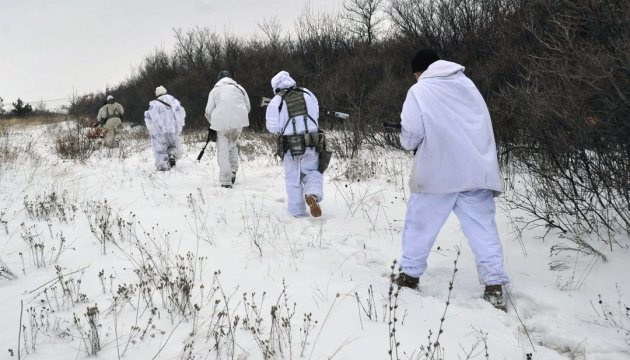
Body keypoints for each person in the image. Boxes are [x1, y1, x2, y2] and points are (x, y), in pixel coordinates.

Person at [394, 49, 510, 311]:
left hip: (438, 173)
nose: (415, 79)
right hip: (476, 171)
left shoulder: (420, 91)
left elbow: (411, 134)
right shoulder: (467, 84)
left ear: (419, 71)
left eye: (415, 74)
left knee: (420, 225)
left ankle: (409, 276)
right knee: (483, 229)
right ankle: (494, 286)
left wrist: (405, 140)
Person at [265, 70, 323, 218]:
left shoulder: (276, 100)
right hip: (312, 141)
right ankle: (312, 194)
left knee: (293, 178)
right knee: (312, 172)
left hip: (291, 145)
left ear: (276, 87)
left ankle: (297, 212)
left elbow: (272, 127)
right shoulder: (307, 93)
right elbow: (315, 114)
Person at [204, 70, 251, 188]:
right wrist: (239, 118)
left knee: (223, 150)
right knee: (232, 145)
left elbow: (208, 111)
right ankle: (233, 171)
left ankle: (226, 180)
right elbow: (248, 106)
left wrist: (213, 124)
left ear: (219, 79)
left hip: (221, 124)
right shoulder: (240, 88)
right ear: (230, 78)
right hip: (238, 123)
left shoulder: (215, 90)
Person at [143, 85, 186, 171]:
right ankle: (172, 155)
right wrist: (178, 125)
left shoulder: (155, 103)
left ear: (157, 94)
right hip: (173, 129)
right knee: (173, 144)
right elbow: (181, 112)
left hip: (160, 130)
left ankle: (163, 166)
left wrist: (152, 128)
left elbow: (149, 117)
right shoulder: (174, 100)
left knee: (160, 147)